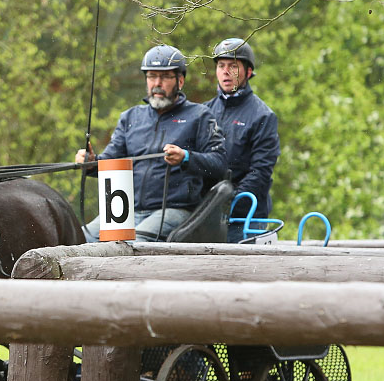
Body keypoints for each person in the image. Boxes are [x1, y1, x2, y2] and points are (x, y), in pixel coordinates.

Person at [76, 44, 226, 242]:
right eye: (152, 76)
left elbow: (220, 164)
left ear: (180, 81)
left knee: (133, 244)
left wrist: (186, 157)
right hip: (124, 210)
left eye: (164, 77)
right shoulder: (130, 117)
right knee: (78, 238)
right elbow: (110, 161)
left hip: (175, 210)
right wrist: (91, 162)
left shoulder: (200, 116)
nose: (157, 83)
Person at [204, 37, 280, 243]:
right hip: (206, 215)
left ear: (248, 71)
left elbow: (260, 172)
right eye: (221, 66)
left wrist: (229, 201)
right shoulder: (204, 112)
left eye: (233, 66)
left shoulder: (263, 116)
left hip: (245, 217)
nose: (226, 71)